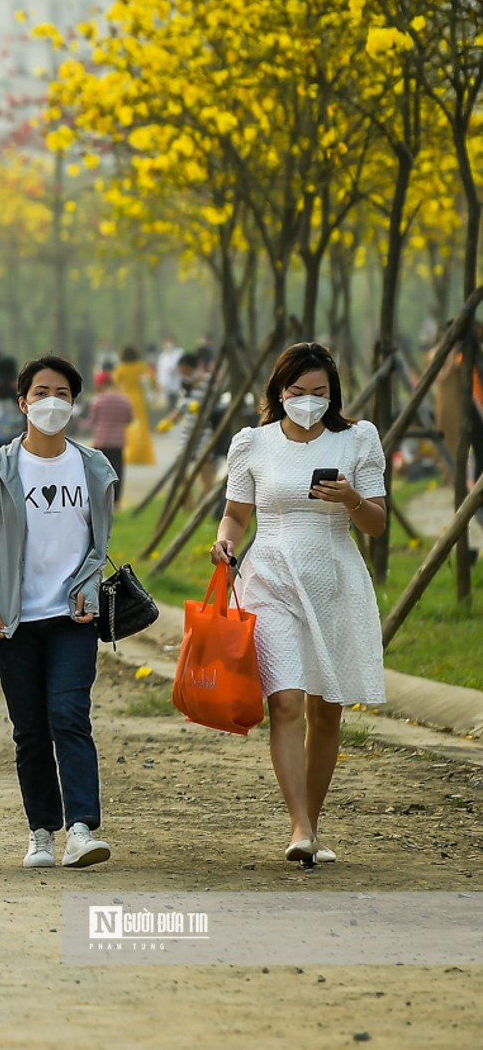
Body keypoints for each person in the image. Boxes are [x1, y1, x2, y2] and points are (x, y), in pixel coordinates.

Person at [210, 342, 388, 865]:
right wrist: (225, 540)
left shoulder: (358, 439)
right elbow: (237, 515)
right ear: (279, 391)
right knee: (284, 702)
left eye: (319, 392)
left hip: (333, 577)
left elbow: (377, 523)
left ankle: (312, 821)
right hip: (270, 576)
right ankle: (300, 827)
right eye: (297, 392)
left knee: (325, 710)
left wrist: (351, 498)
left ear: (332, 394)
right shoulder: (253, 443)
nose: (308, 401)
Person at [0, 355, 118, 871]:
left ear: (75, 403)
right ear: (21, 402)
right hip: (13, 621)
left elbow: (101, 545)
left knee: (69, 715)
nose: (52, 402)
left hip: (74, 619)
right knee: (29, 728)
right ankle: (41, 832)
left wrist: (87, 586)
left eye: (63, 394)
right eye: (41, 393)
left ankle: (81, 829)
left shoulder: (94, 467)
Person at [88, 370, 135, 504]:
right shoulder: (124, 400)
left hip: (101, 441)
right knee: (117, 471)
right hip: (118, 442)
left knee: (100, 472)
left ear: (101, 384)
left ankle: (102, 499)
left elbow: (93, 420)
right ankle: (116, 501)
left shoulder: (98, 401)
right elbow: (129, 419)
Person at [112, 345, 157, 467]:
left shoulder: (120, 368)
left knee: (127, 427)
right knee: (141, 426)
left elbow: (114, 382)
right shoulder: (141, 366)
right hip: (138, 399)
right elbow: (152, 380)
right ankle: (142, 454)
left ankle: (129, 453)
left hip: (124, 398)